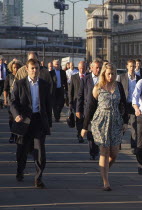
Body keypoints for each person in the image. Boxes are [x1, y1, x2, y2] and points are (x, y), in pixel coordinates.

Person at [81, 63, 128, 191]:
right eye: (109, 74)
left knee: (114, 153)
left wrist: (125, 121)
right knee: (104, 151)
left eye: (113, 74)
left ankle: (104, 170)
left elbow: (123, 103)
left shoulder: (118, 86)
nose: (111, 76)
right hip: (101, 122)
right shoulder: (98, 87)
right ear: (104, 74)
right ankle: (106, 181)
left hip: (116, 122)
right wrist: (84, 127)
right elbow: (90, 107)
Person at [10, 59, 52, 188]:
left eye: (37, 68)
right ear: (26, 69)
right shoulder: (20, 84)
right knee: (22, 150)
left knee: (40, 151)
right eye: (32, 68)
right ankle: (20, 171)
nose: (35, 71)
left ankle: (38, 178)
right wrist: (16, 115)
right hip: (24, 121)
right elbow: (13, 102)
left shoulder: (44, 85)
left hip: (38, 121)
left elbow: (47, 105)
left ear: (40, 69)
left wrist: (48, 123)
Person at [76, 59, 102, 159]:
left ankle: (98, 149)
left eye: (100, 67)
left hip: (101, 110)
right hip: (88, 110)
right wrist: (78, 110)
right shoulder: (85, 79)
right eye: (96, 68)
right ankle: (93, 151)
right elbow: (80, 95)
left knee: (99, 131)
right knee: (90, 132)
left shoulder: (103, 79)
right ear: (91, 68)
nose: (98, 70)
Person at [117, 59, 141, 154]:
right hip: (124, 104)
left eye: (134, 66)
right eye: (130, 66)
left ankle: (134, 146)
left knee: (134, 125)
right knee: (122, 124)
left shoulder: (139, 78)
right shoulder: (121, 77)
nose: (132, 68)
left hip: (134, 105)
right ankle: (118, 141)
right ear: (127, 66)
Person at [3, 60, 23, 143]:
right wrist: (5, 99)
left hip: (20, 100)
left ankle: (18, 135)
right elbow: (5, 89)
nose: (16, 69)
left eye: (17, 67)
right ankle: (12, 134)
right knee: (11, 119)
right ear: (11, 68)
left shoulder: (22, 77)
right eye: (14, 67)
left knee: (19, 118)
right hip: (11, 100)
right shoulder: (9, 76)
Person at [68, 61, 87, 143]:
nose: (82, 70)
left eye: (83, 68)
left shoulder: (89, 77)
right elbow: (70, 91)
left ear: (86, 68)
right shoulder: (74, 77)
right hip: (77, 103)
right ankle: (79, 135)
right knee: (79, 120)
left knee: (86, 119)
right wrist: (70, 102)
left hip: (87, 103)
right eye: (80, 68)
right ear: (78, 68)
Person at [132, 79, 142, 174]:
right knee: (140, 143)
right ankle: (140, 164)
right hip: (141, 115)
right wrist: (136, 108)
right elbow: (135, 96)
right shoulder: (141, 82)